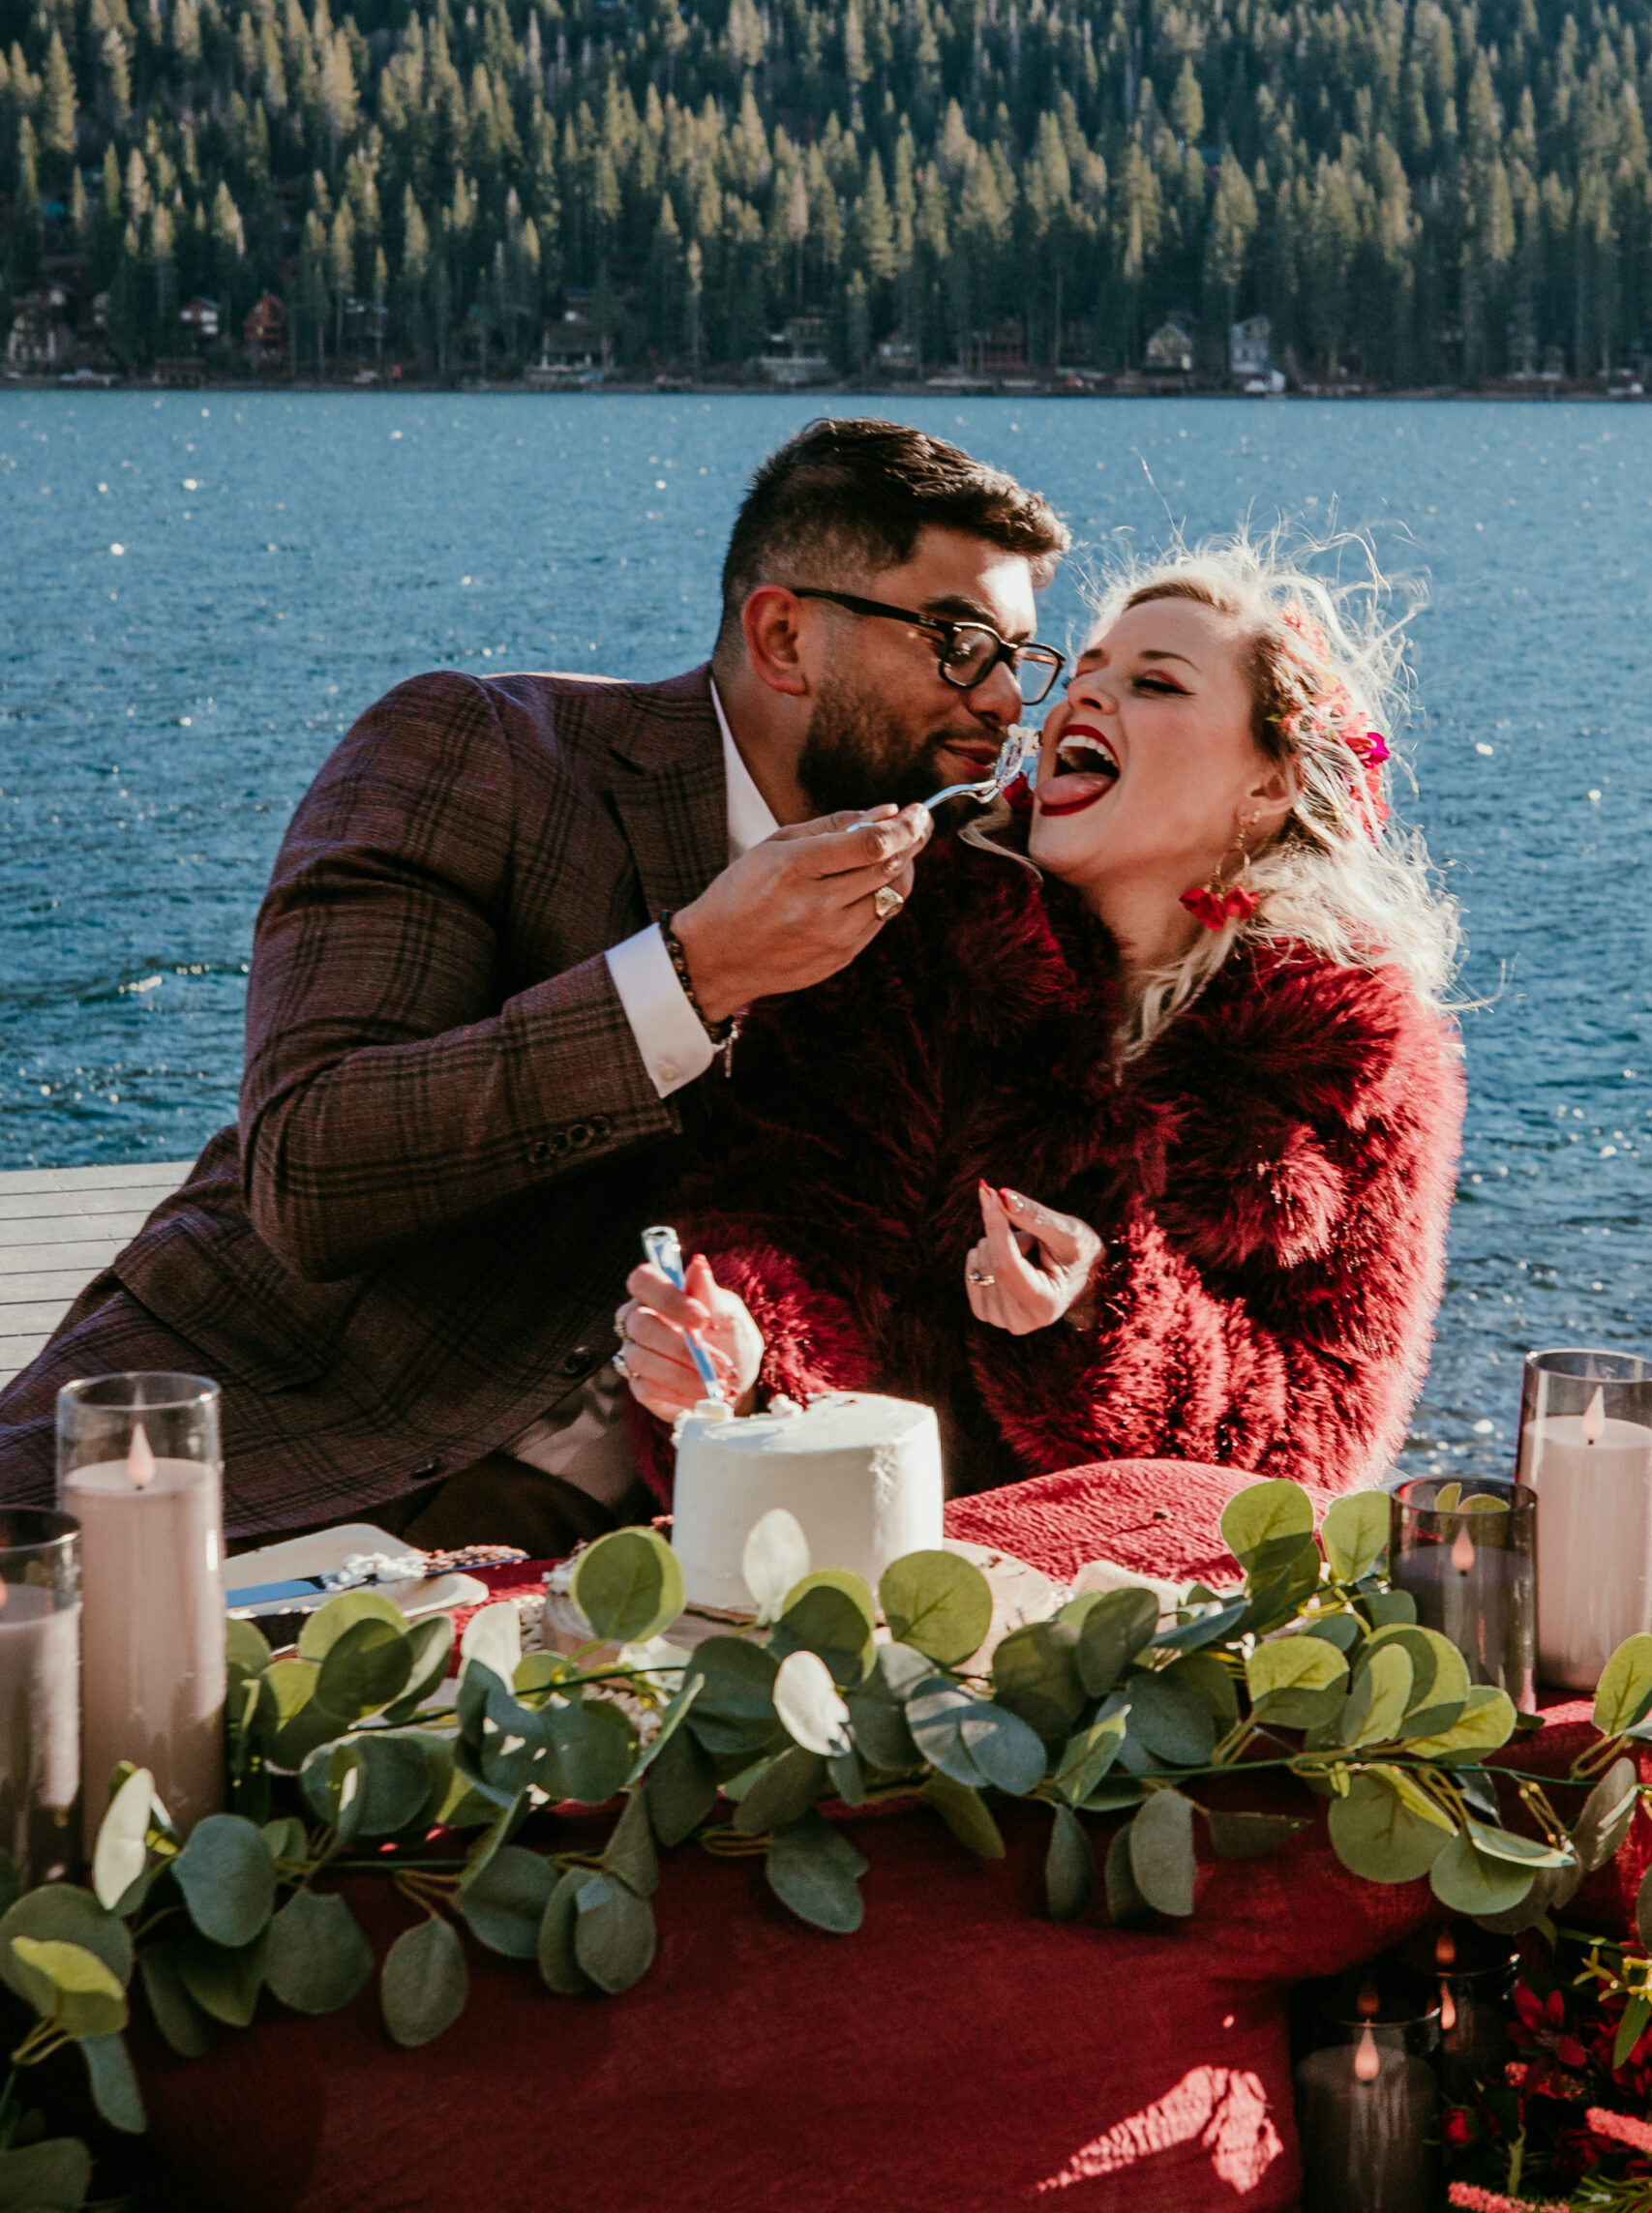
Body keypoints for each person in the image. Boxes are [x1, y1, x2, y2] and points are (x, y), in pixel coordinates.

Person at [0, 420, 1069, 1549]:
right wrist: (689, 975)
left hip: (610, 1554)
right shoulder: (484, 751)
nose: (1005, 698)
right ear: (786, 637)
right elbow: (308, 1167)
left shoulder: (958, 899)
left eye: (1022, 655)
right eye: (958, 638)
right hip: (258, 1452)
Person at [616, 533, 1465, 1500]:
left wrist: (1106, 1319)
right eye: (1088, 672)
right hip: (856, 1567)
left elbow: (1326, 1439)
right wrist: (741, 1350)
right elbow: (782, 1220)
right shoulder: (911, 944)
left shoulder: (1363, 1060)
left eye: (1158, 684)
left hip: (1164, 1612)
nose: (1082, 696)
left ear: (1266, 786)